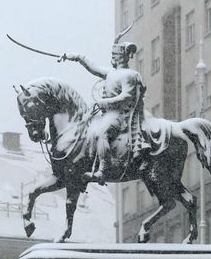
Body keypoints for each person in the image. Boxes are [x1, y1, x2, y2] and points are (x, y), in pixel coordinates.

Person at [59, 27, 149, 182]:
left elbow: (127, 97)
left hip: (120, 115)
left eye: (114, 56)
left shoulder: (129, 75)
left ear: (121, 57)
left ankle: (103, 169)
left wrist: (104, 102)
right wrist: (74, 56)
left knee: (102, 133)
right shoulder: (111, 73)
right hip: (107, 114)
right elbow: (92, 67)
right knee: (85, 129)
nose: (112, 58)